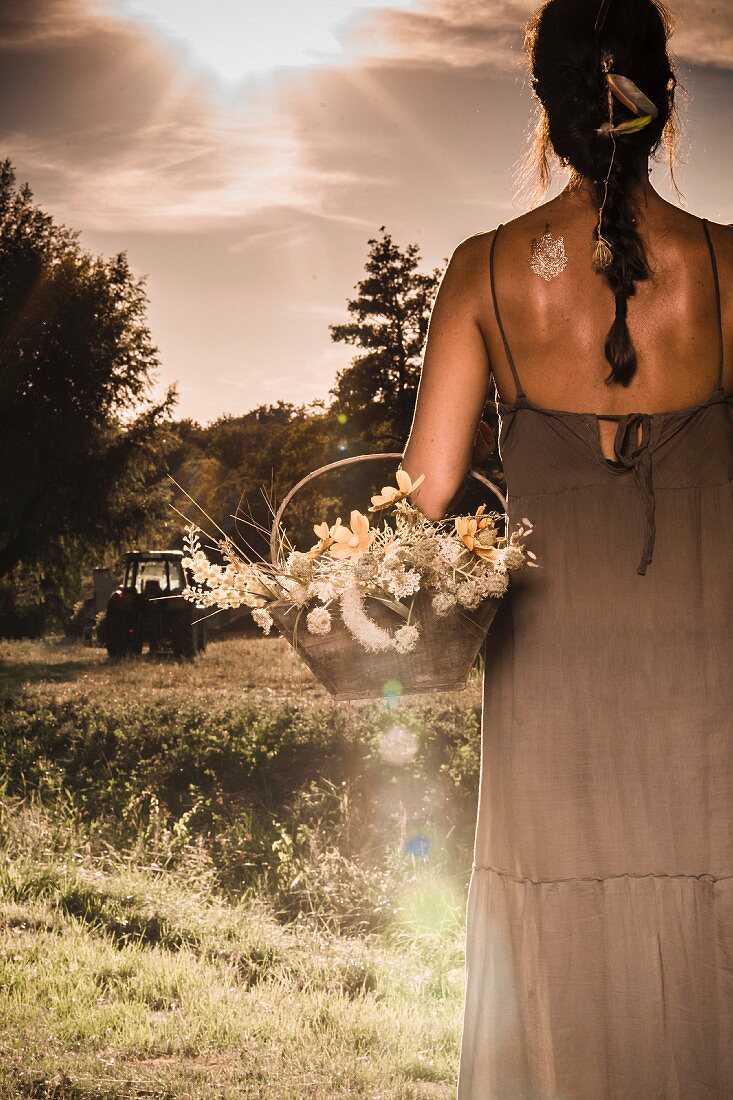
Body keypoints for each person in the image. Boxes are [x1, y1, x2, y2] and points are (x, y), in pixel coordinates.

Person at [400, 0, 732, 1095]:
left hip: (553, 673)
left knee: (549, 889)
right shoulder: (730, 270)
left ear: (545, 111)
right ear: (663, 105)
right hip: (706, 667)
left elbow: (427, 492)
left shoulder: (484, 270)